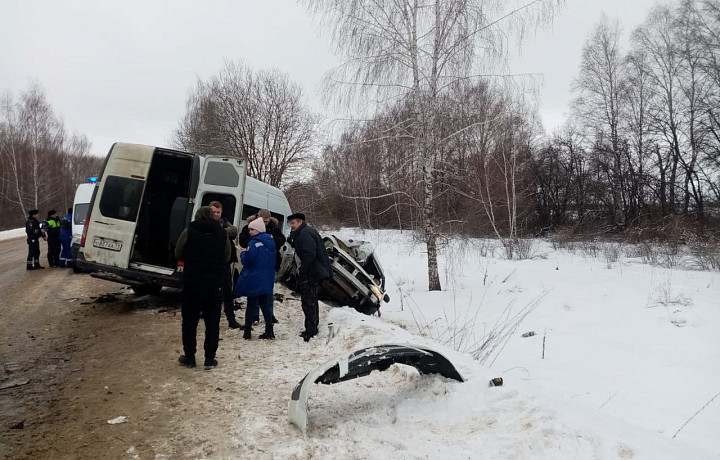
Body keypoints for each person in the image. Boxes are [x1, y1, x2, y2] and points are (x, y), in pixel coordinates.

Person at [175, 206, 231, 370]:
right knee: (212, 323)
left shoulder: (189, 231)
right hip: (214, 284)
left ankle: (190, 357)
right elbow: (227, 256)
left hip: (192, 282)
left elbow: (179, 253)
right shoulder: (222, 234)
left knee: (189, 321)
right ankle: (209, 359)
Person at [287, 212, 330, 342]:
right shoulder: (305, 232)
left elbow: (309, 255)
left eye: (293, 223)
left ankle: (310, 331)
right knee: (311, 301)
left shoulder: (305, 233)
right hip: (313, 272)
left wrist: (303, 272)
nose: (292, 226)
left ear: (300, 222)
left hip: (311, 273)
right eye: (291, 224)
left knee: (308, 302)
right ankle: (312, 328)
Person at [235, 218, 276, 340]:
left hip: (254, 278)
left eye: (252, 229)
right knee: (266, 305)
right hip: (267, 278)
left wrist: (243, 254)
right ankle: (270, 330)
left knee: (252, 304)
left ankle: (247, 331)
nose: (250, 232)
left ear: (258, 230)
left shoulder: (253, 243)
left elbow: (248, 260)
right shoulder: (271, 242)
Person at [208, 201, 241, 329]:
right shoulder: (204, 222)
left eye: (218, 212)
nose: (216, 214)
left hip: (224, 263)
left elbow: (234, 231)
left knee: (228, 292)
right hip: (210, 264)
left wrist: (220, 230)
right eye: (214, 212)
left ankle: (231, 319)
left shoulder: (224, 222)